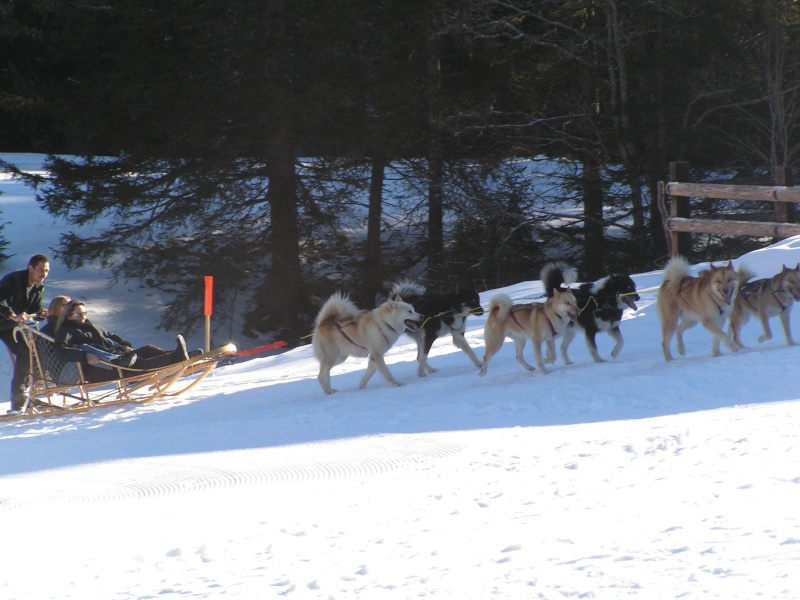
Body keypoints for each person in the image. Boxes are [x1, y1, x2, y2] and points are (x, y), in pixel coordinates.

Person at [53, 299, 191, 384]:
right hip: (95, 369)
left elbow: (108, 334)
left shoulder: (88, 325)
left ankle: (185, 356)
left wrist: (124, 344)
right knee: (139, 364)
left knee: (147, 349)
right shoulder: (66, 330)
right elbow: (59, 351)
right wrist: (84, 355)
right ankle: (177, 358)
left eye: (84, 313)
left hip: (113, 358)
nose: (82, 317)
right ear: (69, 316)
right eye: (78, 314)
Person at [0, 254, 50, 413]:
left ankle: (25, 397)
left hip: (13, 326)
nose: (44, 273)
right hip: (4, 322)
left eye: (47, 270)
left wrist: (41, 313)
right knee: (26, 355)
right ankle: (19, 400)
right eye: (41, 269)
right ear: (31, 268)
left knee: (31, 356)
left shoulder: (39, 287)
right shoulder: (13, 280)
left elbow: (33, 310)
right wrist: (12, 315)